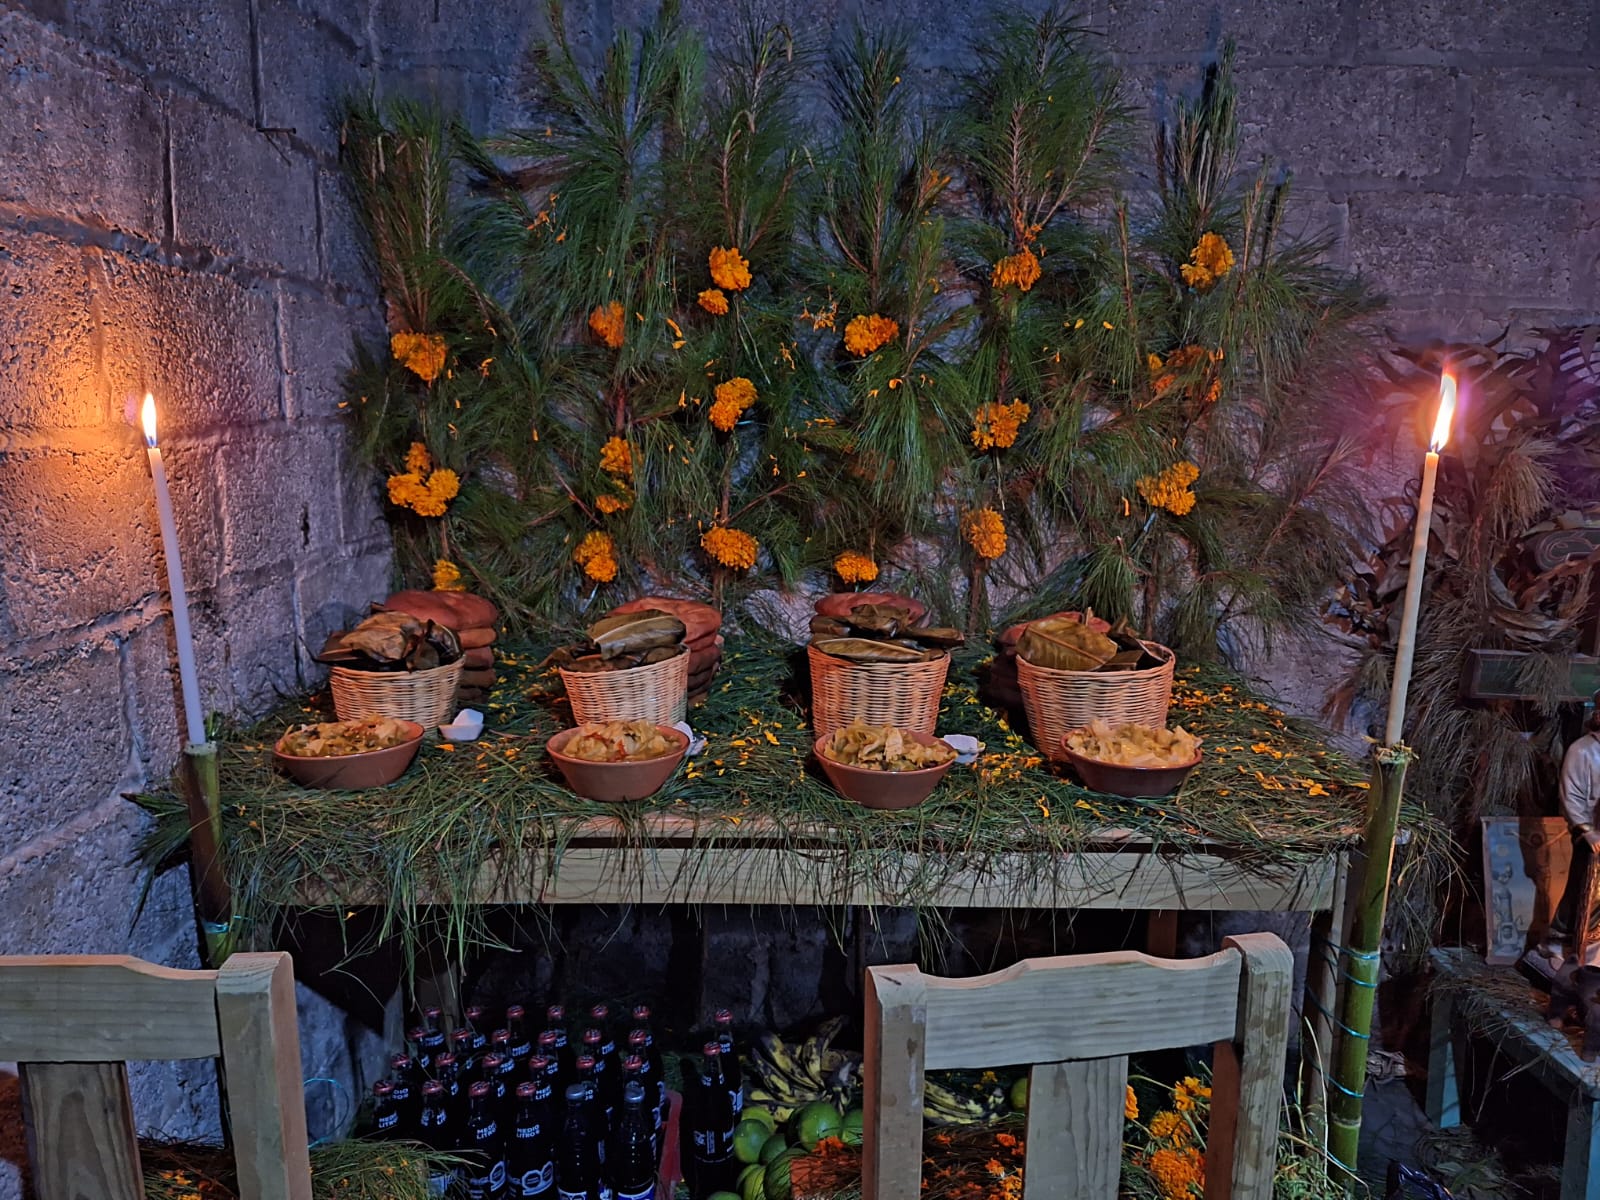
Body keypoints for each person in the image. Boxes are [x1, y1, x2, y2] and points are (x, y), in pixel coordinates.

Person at [1544, 692, 1600, 961]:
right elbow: (1572, 796)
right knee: (1584, 888)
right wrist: (1587, 831)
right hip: (1591, 833)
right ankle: (1562, 938)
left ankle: (1593, 945)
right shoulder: (1583, 750)